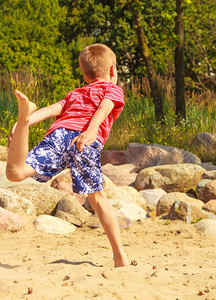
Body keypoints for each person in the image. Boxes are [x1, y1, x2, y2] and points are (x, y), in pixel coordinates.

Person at [6, 44, 129, 268]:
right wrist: (91, 131)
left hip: (59, 134)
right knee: (98, 198)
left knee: (16, 173)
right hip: (84, 141)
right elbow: (104, 108)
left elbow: (53, 109)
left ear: (84, 75)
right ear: (113, 70)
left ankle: (23, 121)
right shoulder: (113, 89)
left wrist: (20, 123)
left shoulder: (76, 93)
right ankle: (120, 256)